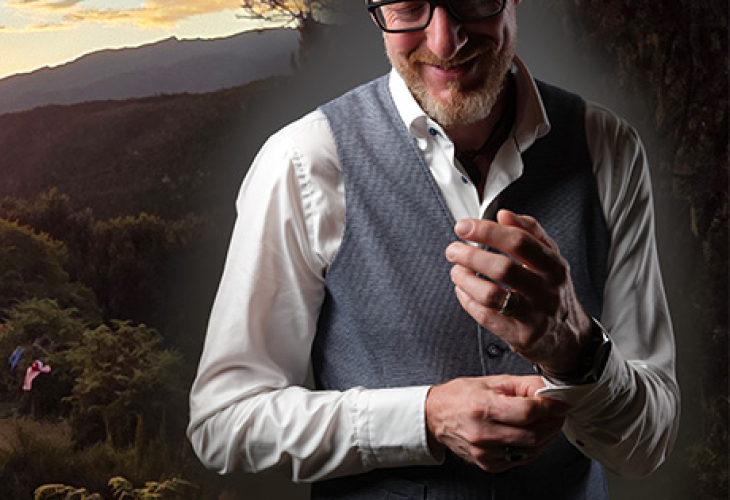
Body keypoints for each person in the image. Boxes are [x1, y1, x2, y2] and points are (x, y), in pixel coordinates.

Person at [185, 0, 679, 498]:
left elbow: (645, 447)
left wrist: (576, 351)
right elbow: (225, 422)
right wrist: (424, 418)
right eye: (408, 7)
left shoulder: (607, 147)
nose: (445, 42)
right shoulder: (303, 162)